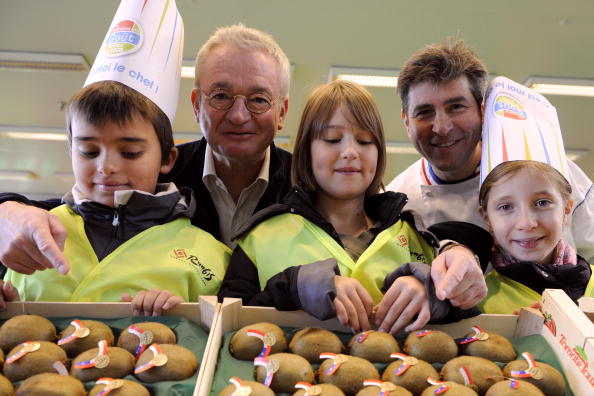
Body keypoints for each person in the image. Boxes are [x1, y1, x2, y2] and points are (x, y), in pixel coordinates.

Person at [0, 26, 483, 310]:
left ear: (281, 112)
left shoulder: (310, 187)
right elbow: (81, 211)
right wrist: (9, 209)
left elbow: (409, 231)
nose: (237, 114)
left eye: (257, 99)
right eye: (221, 95)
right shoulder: (153, 174)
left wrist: (453, 255)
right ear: (196, 103)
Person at [219, 80, 482, 334]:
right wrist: (296, 286)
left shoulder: (416, 236)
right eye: (332, 139)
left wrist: (431, 293)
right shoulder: (259, 238)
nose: (350, 152)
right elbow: (225, 322)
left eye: (365, 141)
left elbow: (471, 314)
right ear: (305, 151)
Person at [1, 81, 231, 314]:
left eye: (130, 153)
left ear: (167, 159)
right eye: (89, 152)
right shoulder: (26, 230)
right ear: (71, 151)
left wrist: (180, 321)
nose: (106, 167)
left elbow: (218, 336)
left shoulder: (209, 255)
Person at [386, 39, 594, 262]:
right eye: (424, 112)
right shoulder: (397, 204)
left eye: (456, 107)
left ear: (482, 111)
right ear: (406, 122)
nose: (442, 127)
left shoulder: (547, 169)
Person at [477, 160, 593, 314]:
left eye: (542, 203)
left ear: (566, 210)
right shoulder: (477, 298)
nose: (526, 223)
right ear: (487, 219)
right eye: (505, 207)